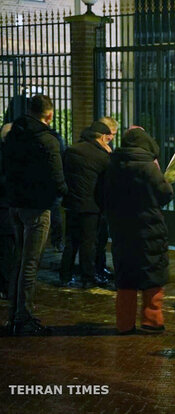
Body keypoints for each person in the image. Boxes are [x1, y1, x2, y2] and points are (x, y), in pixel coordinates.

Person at [3, 94, 67, 335]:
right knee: (31, 263)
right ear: (48, 115)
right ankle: (24, 316)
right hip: (38, 206)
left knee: (20, 260)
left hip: (15, 205)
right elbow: (56, 176)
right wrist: (63, 194)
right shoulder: (46, 140)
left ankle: (14, 314)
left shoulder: (13, 135)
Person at [104, 127, 173, 334]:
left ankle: (124, 324)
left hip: (121, 229)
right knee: (153, 272)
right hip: (149, 228)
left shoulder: (112, 165)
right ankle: (152, 321)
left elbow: (103, 195)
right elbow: (165, 194)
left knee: (125, 276)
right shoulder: (149, 167)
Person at [59, 120, 114, 288]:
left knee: (71, 241)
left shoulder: (72, 150)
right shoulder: (101, 156)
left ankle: (65, 275)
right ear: (103, 137)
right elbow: (107, 182)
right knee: (88, 243)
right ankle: (87, 277)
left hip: (72, 203)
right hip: (91, 206)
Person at [94, 116, 118, 284]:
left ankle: (100, 268)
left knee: (101, 239)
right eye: (111, 134)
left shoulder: (107, 148)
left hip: (101, 202)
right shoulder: (100, 151)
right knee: (97, 239)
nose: (112, 138)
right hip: (97, 201)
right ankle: (96, 270)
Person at [0, 123, 15, 300]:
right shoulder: (10, 156)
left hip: (7, 207)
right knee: (7, 250)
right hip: (5, 208)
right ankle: (6, 286)